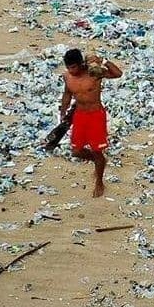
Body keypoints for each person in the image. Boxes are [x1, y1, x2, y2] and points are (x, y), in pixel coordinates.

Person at [58, 48, 122, 197]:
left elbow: (118, 74)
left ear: (81, 64)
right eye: (68, 67)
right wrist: (63, 111)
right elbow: (67, 94)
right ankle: (99, 161)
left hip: (95, 115)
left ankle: (99, 181)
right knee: (76, 152)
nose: (71, 70)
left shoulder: (94, 73)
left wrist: (103, 61)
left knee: (96, 150)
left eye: (73, 67)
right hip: (79, 115)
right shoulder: (67, 77)